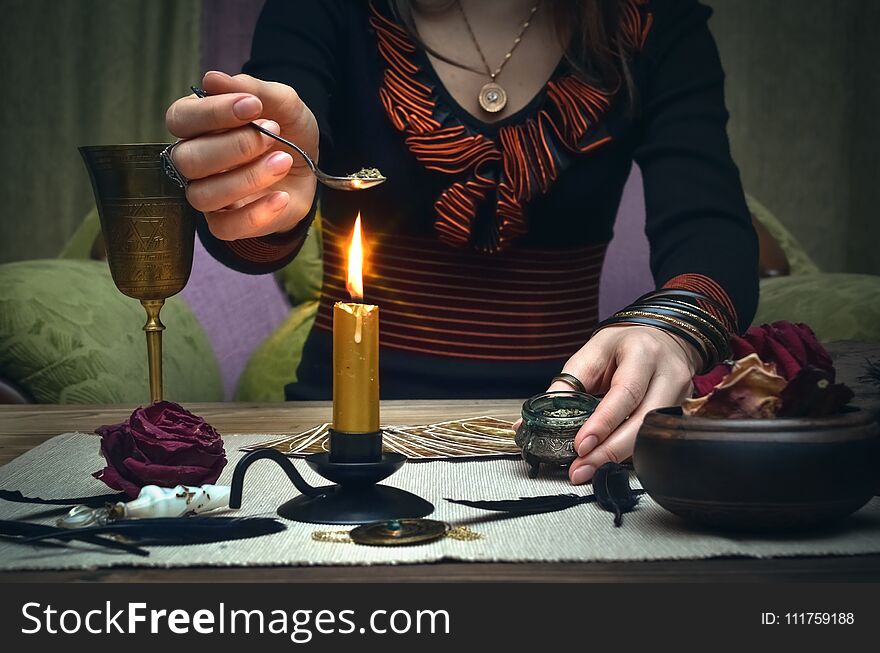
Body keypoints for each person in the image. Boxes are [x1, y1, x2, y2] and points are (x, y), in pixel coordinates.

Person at [164, 0, 758, 485]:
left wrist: (676, 326)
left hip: (569, 443)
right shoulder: (327, 10)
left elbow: (711, 231)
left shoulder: (658, 22)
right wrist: (255, 184)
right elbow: (256, 209)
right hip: (339, 437)